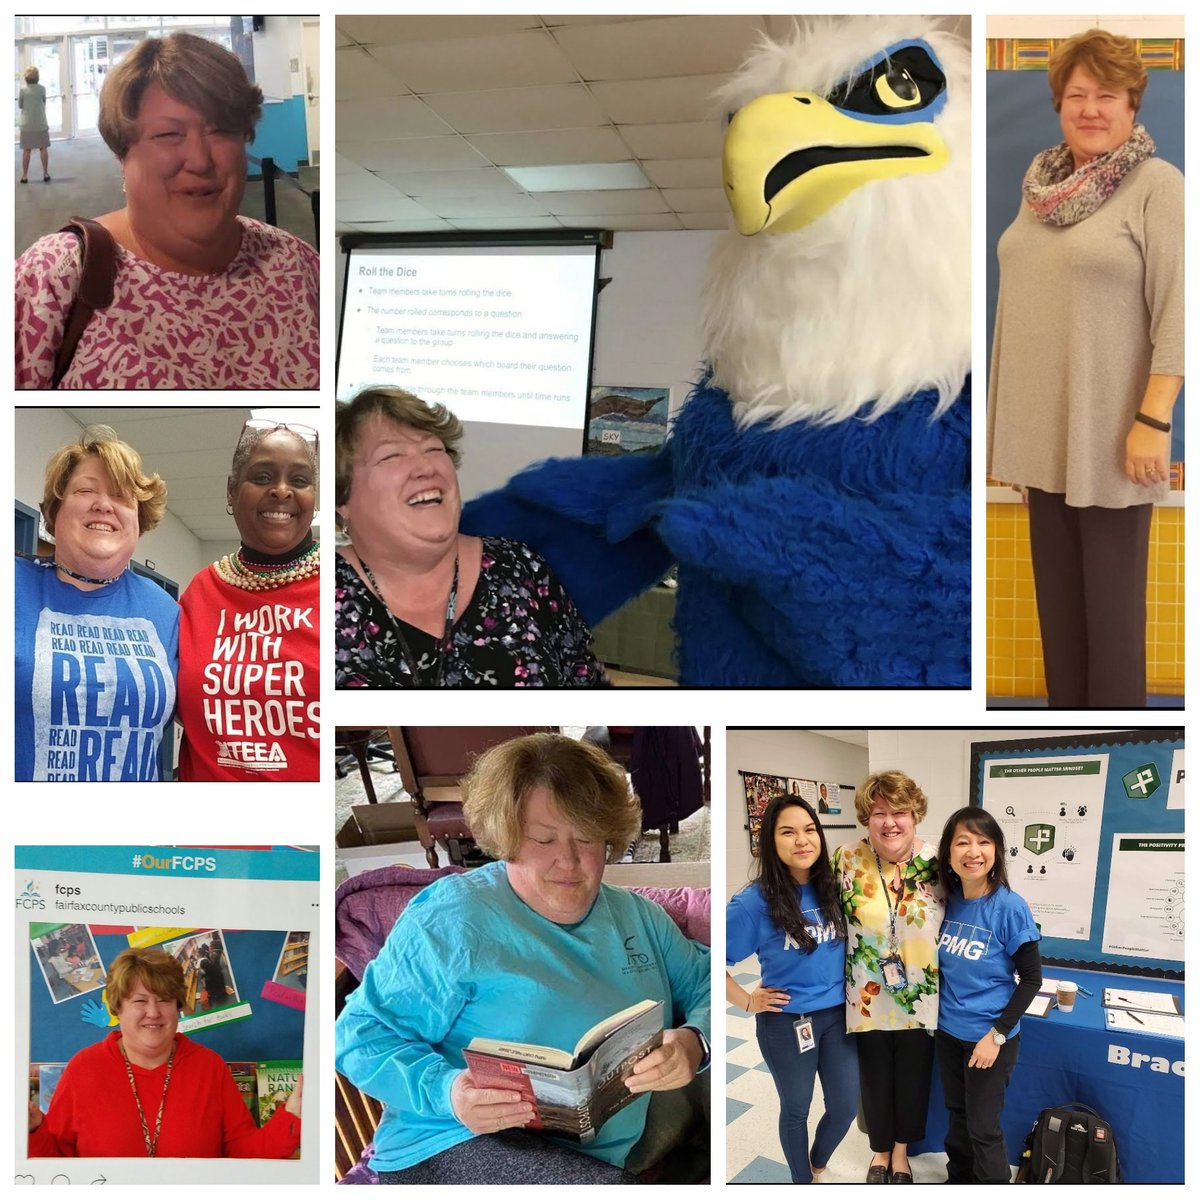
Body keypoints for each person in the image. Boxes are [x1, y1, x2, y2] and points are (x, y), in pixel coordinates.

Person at [335, 732, 710, 1183]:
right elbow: (359, 1035)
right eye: (543, 840)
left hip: (596, 1154)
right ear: (506, 837)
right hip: (455, 1137)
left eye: (587, 839)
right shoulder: (452, 919)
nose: (569, 862)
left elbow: (707, 979)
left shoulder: (638, 917)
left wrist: (695, 1041)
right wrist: (448, 1091)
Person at [987, 28, 1184, 708]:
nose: (1091, 108)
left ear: (1133, 106)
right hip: (1042, 447)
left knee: (1113, 638)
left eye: (1107, 94)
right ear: (1058, 105)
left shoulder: (1158, 186)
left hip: (1114, 444)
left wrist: (1153, 420)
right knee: (1060, 633)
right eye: (1077, 94)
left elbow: (1182, 310)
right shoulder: (1040, 188)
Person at [15, 33, 319, 389]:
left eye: (220, 131)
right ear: (122, 152)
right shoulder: (52, 277)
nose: (200, 159)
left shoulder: (298, 267)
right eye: (168, 135)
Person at [335, 387, 607, 687]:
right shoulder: (315, 595)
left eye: (434, 449)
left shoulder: (521, 569)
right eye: (391, 456)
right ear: (342, 499)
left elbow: (587, 685)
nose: (426, 467)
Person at [15, 425, 178, 782]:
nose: (104, 505)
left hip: (133, 834)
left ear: (139, 519)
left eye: (121, 497)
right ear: (54, 512)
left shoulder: (167, 611)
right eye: (86, 490)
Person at [28, 947, 301, 1157]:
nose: (154, 1012)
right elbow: (56, 1164)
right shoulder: (84, 1069)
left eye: (164, 1000)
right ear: (117, 1007)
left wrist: (293, 1116)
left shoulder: (208, 1066)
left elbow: (243, 1152)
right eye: (139, 1000)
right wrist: (31, 1130)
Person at [178, 419, 319, 780]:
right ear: (231, 490)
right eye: (262, 477)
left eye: (300, 480)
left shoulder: (343, 589)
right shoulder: (199, 592)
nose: (282, 491)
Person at [726, 794, 856, 1183]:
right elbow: (709, 962)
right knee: (797, 1108)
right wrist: (747, 1000)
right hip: (787, 1022)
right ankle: (802, 1181)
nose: (802, 840)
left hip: (839, 1016)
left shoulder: (833, 887)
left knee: (845, 1106)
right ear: (770, 841)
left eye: (809, 829)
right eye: (788, 832)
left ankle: (817, 1162)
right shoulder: (753, 902)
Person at [833, 771, 946, 1183]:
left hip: (922, 994)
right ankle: (879, 1152)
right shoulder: (846, 859)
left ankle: (902, 1154)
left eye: (900, 811)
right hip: (866, 994)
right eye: (879, 812)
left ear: (915, 816)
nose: (889, 822)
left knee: (913, 1079)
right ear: (867, 817)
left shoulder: (937, 861)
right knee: (875, 1078)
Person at [935, 807, 1042, 1183]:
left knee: (983, 1128)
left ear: (996, 851)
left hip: (988, 1039)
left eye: (984, 841)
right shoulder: (943, 902)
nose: (973, 851)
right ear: (948, 852)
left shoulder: (1010, 907)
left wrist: (995, 1035)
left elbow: (1031, 979)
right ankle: (959, 1180)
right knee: (958, 1118)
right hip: (948, 1034)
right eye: (962, 842)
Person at [18, 65, 51, 184]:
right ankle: (46, 173)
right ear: (37, 77)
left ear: (26, 77)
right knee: (43, 148)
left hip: (27, 125)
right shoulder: (42, 89)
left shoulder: (22, 90)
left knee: (26, 150)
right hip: (40, 123)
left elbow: (20, 105)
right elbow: (44, 102)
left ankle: (25, 176)